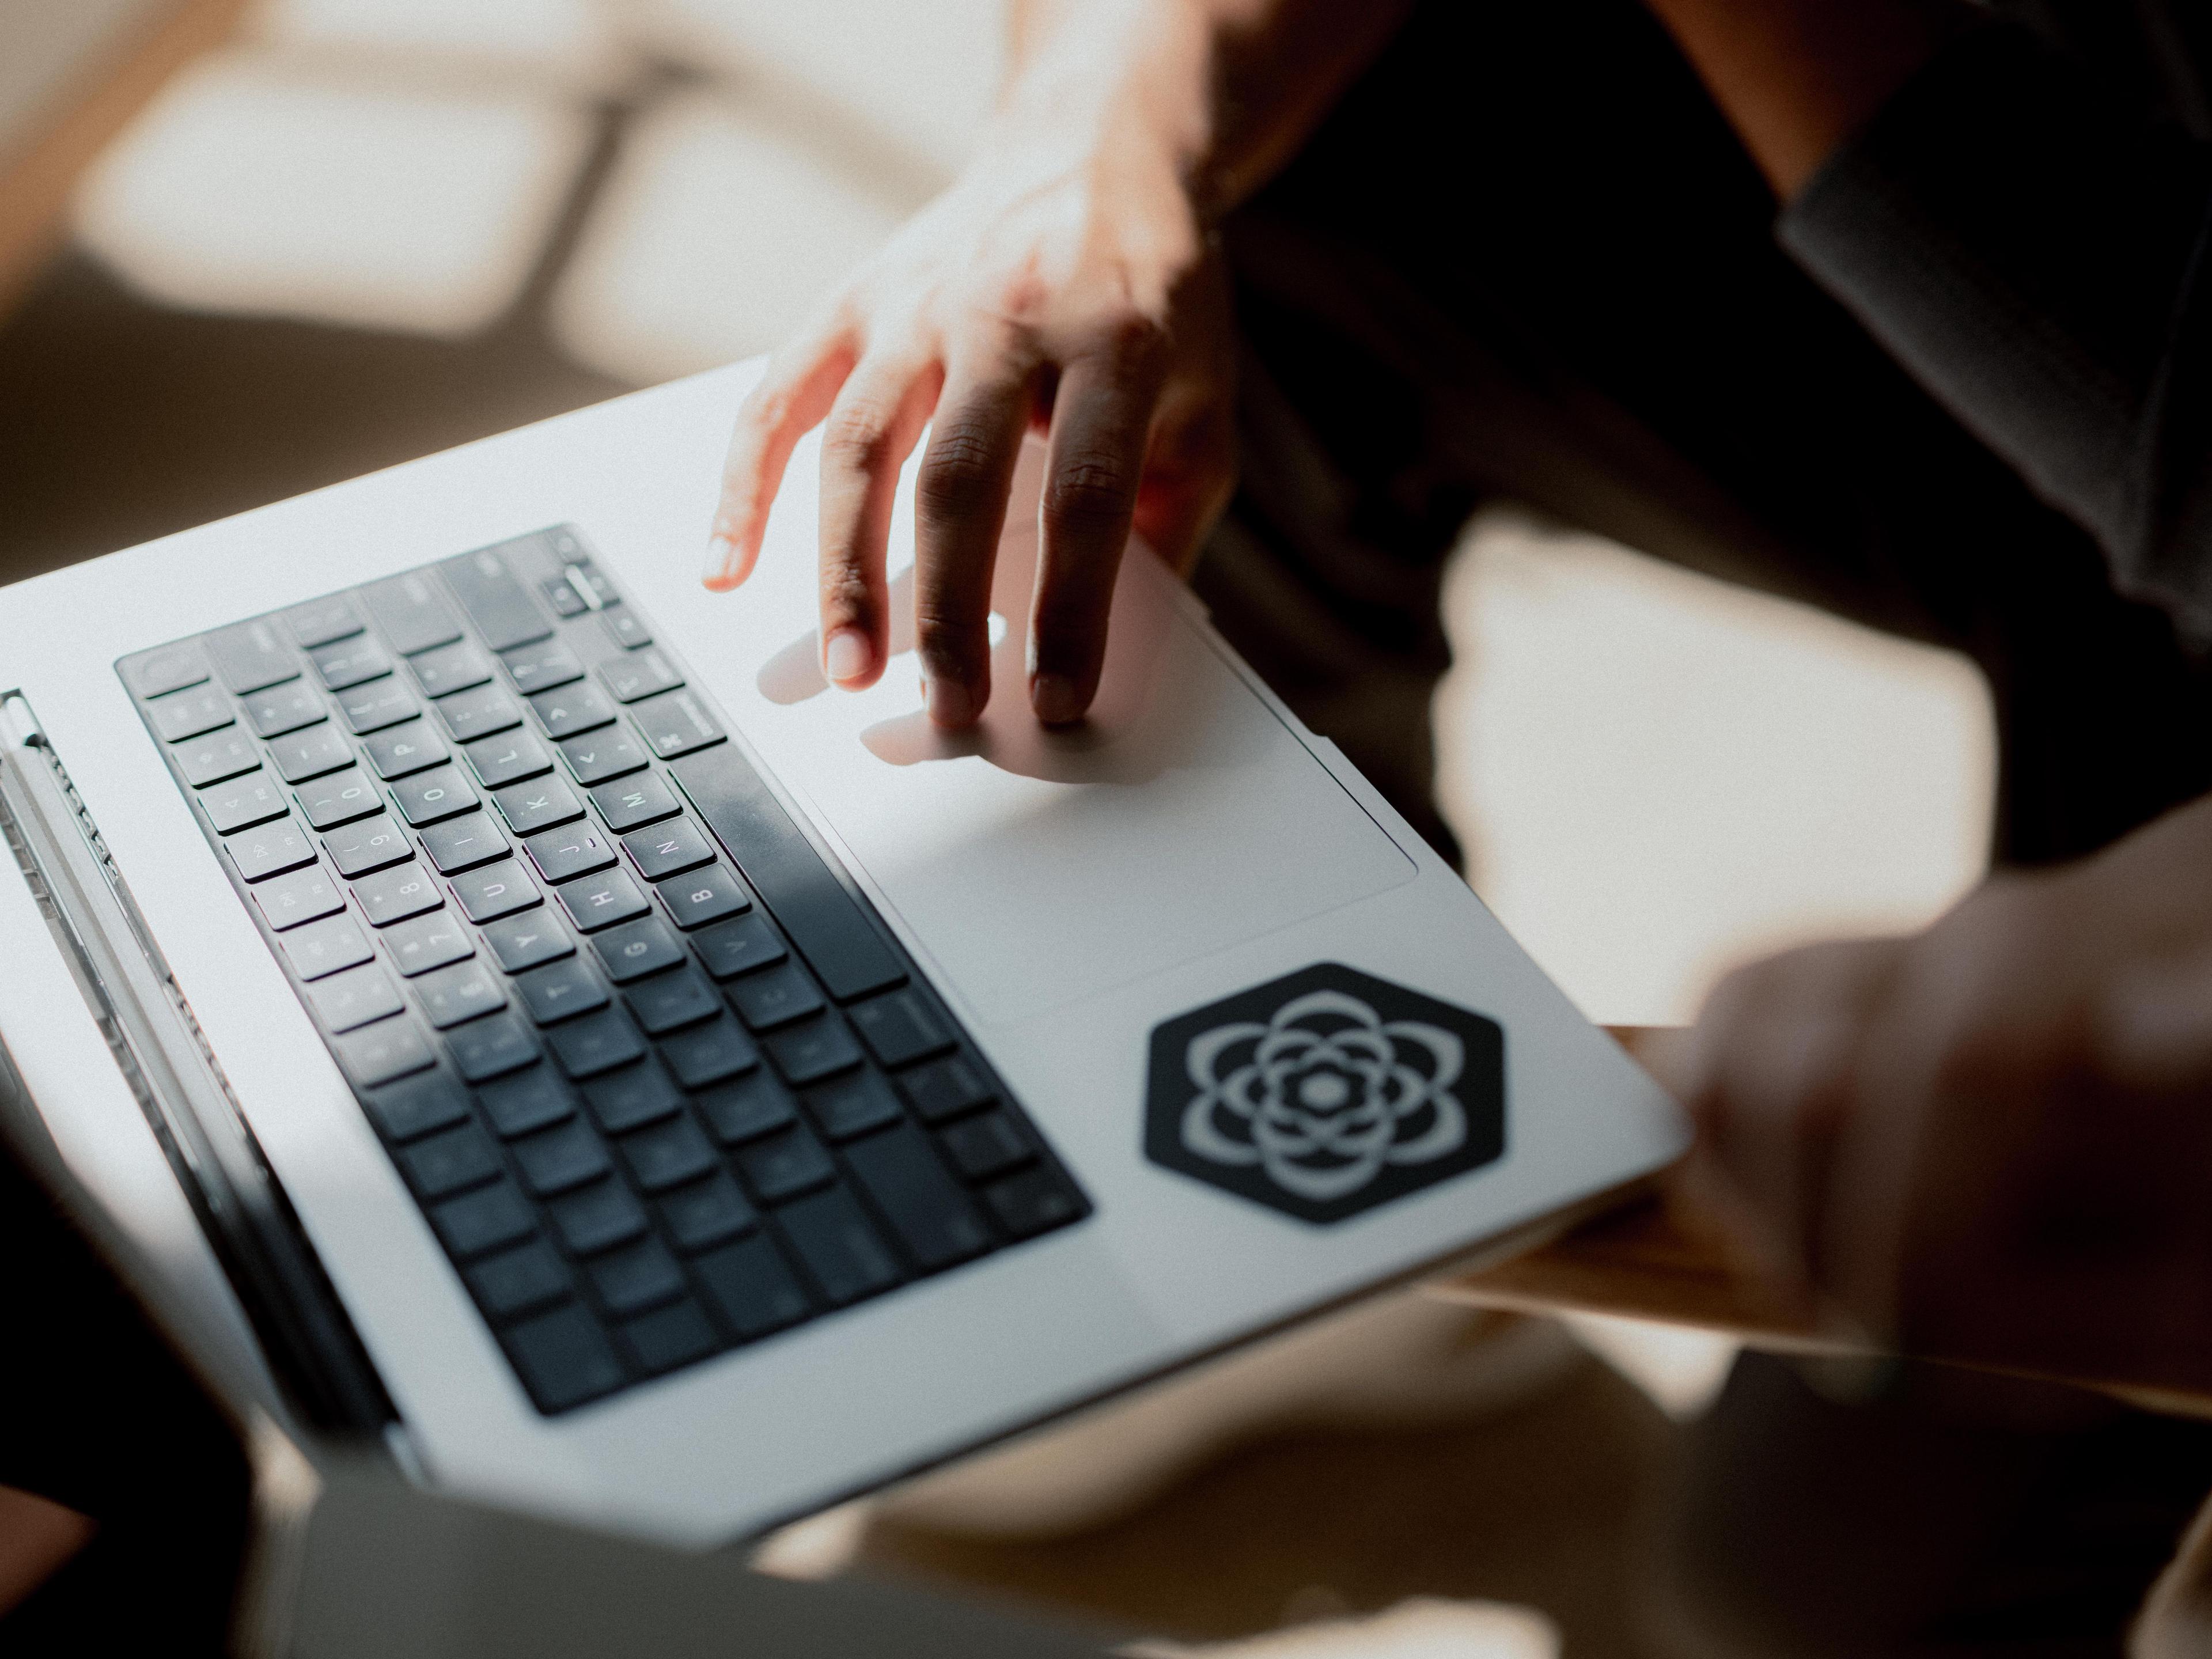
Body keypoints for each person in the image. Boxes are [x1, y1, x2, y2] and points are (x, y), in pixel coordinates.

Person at [702, 1, 2212, 1650]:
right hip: (2088, 193)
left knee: (1817, 1589)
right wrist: (1106, 122)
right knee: (1244, 231)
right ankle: (1292, 1246)